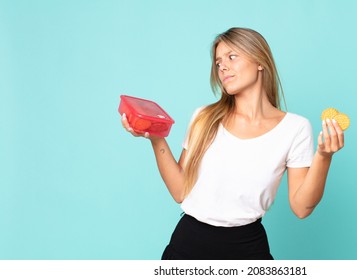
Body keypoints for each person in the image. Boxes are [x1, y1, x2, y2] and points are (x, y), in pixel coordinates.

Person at [121, 27, 345, 260]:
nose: (223, 67)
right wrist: (157, 139)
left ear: (260, 61)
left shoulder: (295, 128)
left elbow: (301, 208)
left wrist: (323, 157)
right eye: (218, 62)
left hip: (248, 248)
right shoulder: (204, 117)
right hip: (188, 245)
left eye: (232, 57)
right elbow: (180, 192)